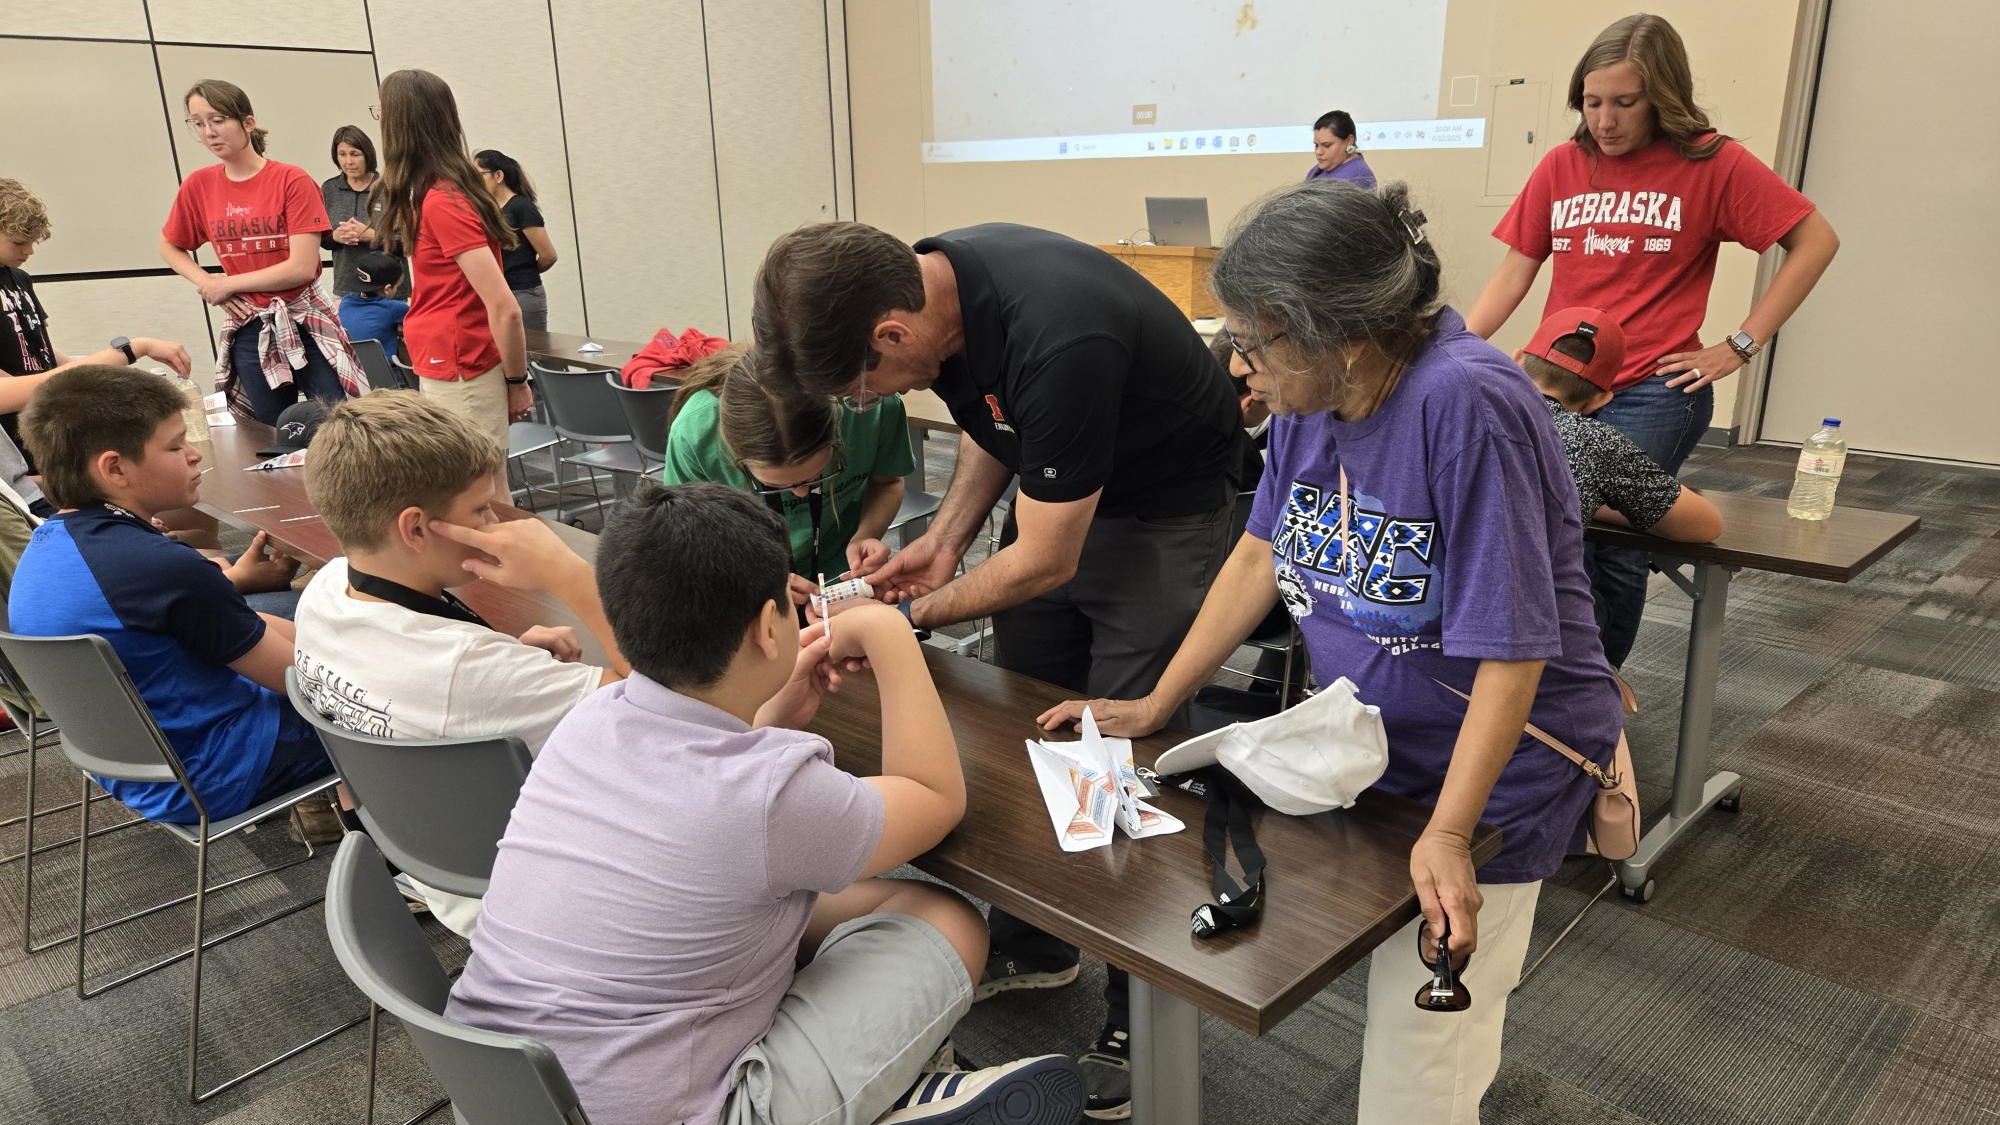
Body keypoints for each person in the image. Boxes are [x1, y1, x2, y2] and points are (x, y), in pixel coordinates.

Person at [1038, 181, 1627, 1125]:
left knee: (1421, 1062)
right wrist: (1156, 702)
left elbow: (1514, 651)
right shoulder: (1310, 397)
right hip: (1373, 746)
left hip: (1495, 766)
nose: (1240, 364)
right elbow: (1258, 554)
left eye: (1255, 339)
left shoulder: (1467, 403)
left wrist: (1450, 833)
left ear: (1341, 333)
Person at [752, 219, 1248, 1119]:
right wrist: (946, 540)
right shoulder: (927, 287)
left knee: (1114, 759)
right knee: (1025, 729)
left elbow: (1049, 557)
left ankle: (1139, 1006)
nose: (867, 403)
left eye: (859, 388)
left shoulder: (1060, 334)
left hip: (1160, 518)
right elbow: (998, 422)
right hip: (1064, 498)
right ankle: (1040, 942)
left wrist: (897, 619)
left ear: (891, 334)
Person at [445, 481, 1084, 1125]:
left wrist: (764, 715)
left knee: (805, 898)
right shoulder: (772, 794)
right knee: (948, 921)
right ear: (765, 627)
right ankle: (885, 1101)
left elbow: (703, 824)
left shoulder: (590, 718)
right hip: (672, 1113)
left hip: (501, 1092)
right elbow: (934, 799)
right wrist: (889, 632)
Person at [1465, 13, 1839, 670]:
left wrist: (1740, 345)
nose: (1604, 121)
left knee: (1612, 541)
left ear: (1662, 97)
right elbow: (1515, 272)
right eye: (1592, 102)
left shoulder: (1711, 162)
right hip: (1562, 380)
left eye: (1625, 103)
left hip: (1652, 390)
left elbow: (1816, 241)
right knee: (1541, 521)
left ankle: (1593, 687)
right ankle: (1535, 678)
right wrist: (1455, 352)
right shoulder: (1562, 165)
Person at [293, 390, 627, 933]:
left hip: (433, 861)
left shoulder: (326, 590)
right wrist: (566, 572)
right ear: (415, 529)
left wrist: (507, 660)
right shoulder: (463, 669)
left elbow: (439, 681)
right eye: (480, 510)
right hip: (536, 901)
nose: (495, 522)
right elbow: (662, 697)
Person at [8, 366, 329, 824]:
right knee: (394, 706)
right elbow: (310, 684)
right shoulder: (159, 566)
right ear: (115, 468)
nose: (194, 455)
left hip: (137, 768)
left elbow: (242, 624)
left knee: (302, 623)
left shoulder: (49, 545)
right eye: (176, 446)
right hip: (214, 772)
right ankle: (392, 840)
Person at [160, 79, 365, 425]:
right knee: (268, 431)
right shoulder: (199, 185)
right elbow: (169, 245)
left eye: (218, 120)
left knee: (341, 423)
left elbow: (301, 267)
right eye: (198, 123)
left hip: (305, 319)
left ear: (248, 122)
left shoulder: (291, 180)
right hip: (249, 325)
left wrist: (228, 284)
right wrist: (206, 281)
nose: (209, 132)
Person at [376, 69, 532, 491]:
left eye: (382, 113)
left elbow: (505, 308)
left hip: (462, 365)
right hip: (450, 360)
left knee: (477, 494)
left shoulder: (443, 201)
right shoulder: (434, 194)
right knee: (478, 492)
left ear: (401, 124)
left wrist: (517, 382)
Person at [662, 345, 911, 609]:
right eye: (774, 485)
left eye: (815, 476)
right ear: (735, 456)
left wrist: (865, 536)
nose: (801, 493)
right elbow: (689, 542)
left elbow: (887, 483)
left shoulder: (871, 406)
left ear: (836, 433)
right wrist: (755, 578)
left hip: (840, 574)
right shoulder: (694, 434)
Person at [2, 178, 194, 515]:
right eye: (19, 242)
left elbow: (43, 354)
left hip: (50, 442)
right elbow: (13, 391)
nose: (29, 251)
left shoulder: (18, 279)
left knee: (176, 514)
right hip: (16, 458)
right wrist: (129, 351)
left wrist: (104, 374)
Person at [1518, 306, 1723, 541]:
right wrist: (1599, 495)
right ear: (1601, 400)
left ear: (1516, 359)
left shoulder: (1481, 408)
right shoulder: (1593, 442)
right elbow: (1706, 525)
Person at [473, 150, 557, 333]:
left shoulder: (521, 207)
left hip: (523, 292)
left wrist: (524, 270)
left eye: (479, 175)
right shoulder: (488, 209)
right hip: (498, 293)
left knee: (531, 348)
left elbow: (548, 255)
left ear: (498, 176)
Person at [321, 124, 387, 301]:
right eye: (342, 154)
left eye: (355, 154)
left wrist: (372, 236)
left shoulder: (388, 188)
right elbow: (321, 239)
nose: (348, 162)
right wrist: (335, 237)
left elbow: (408, 241)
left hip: (387, 290)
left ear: (367, 155)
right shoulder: (329, 189)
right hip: (345, 289)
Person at [337, 250, 409, 362]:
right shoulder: (394, 308)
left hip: (350, 367)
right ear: (387, 289)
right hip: (384, 371)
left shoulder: (345, 302)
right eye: (396, 286)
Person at [1306, 109, 1375, 188]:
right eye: (1316, 145)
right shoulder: (1323, 168)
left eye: (1327, 145)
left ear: (1349, 141)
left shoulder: (1357, 179)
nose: (1318, 152)